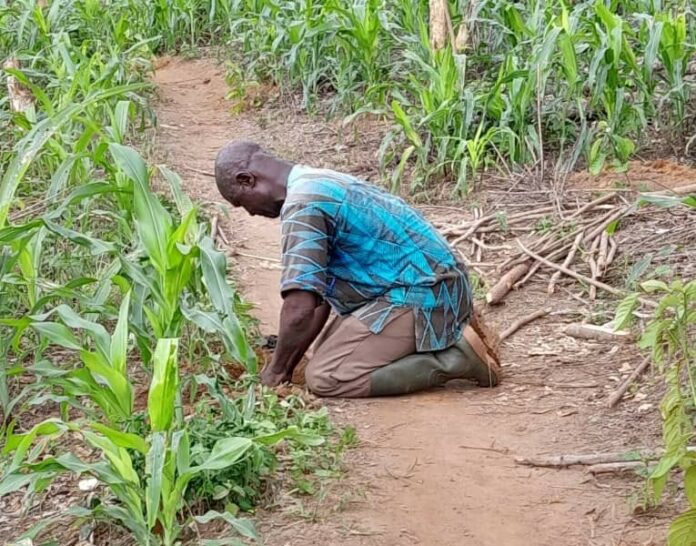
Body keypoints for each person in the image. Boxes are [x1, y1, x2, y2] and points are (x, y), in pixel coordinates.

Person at [214, 141, 501, 397]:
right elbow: (317, 302)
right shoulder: (314, 181)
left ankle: (454, 357)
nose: (250, 212)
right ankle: (435, 337)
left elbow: (299, 307)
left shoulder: (303, 206)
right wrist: (285, 367)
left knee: (325, 377)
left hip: (424, 295)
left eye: (241, 203)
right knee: (324, 353)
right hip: (433, 285)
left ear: (246, 180)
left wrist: (274, 374)